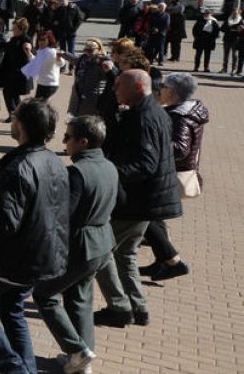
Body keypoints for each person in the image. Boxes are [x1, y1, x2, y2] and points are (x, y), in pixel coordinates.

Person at [0, 98, 69, 374]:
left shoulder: (18, 167)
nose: (12, 122)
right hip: (41, 258)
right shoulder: (54, 161)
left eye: (15, 118)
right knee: (12, 309)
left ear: (21, 126)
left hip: (11, 260)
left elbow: (5, 224)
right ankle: (28, 369)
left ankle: (16, 369)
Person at [94, 69, 181, 329]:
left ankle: (119, 307)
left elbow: (145, 164)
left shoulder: (144, 118)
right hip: (146, 201)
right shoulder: (150, 112)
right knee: (125, 254)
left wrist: (108, 172)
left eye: (119, 85)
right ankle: (137, 306)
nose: (115, 89)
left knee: (100, 252)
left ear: (138, 88)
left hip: (137, 201)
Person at [32, 116, 119, 374]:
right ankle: (82, 360)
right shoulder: (109, 166)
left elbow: (62, 215)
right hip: (102, 243)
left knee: (44, 295)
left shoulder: (77, 172)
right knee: (79, 297)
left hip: (81, 246)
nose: (64, 141)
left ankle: (77, 350)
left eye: (68, 137)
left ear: (84, 141)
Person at [139, 72, 207, 282]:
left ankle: (173, 261)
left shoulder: (181, 116)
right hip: (171, 171)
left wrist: (150, 144)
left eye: (164, 86)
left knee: (145, 213)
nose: (161, 89)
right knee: (153, 216)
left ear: (174, 92)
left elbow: (180, 148)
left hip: (172, 172)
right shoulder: (180, 111)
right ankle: (163, 261)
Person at [0, 18, 34, 121]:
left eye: (15, 28)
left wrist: (29, 50)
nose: (13, 30)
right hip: (11, 72)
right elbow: (7, 46)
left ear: (21, 29)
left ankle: (15, 115)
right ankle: (17, 115)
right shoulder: (14, 39)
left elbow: (31, 54)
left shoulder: (26, 40)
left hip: (19, 73)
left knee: (10, 93)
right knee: (12, 94)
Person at [65, 39, 109, 118]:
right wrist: (64, 54)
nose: (87, 52)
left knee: (89, 121)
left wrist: (106, 60)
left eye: (90, 50)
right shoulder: (83, 58)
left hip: (93, 98)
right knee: (72, 117)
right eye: (85, 50)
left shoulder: (102, 62)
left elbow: (111, 75)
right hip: (78, 94)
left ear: (99, 49)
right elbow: (75, 60)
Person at [23, 30, 63, 101]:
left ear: (49, 40)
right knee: (38, 106)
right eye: (39, 40)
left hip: (50, 84)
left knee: (40, 106)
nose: (41, 42)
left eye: (43, 40)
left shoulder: (51, 52)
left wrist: (59, 59)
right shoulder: (41, 51)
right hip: (42, 83)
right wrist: (28, 53)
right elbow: (36, 62)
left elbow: (61, 63)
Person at [190, 8, 219, 73]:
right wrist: (196, 36)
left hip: (209, 39)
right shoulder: (200, 19)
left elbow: (216, 31)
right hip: (200, 38)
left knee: (207, 54)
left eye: (208, 13)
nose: (206, 14)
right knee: (198, 54)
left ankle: (206, 67)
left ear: (210, 14)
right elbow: (195, 29)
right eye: (205, 13)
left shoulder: (214, 21)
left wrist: (214, 38)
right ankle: (196, 67)